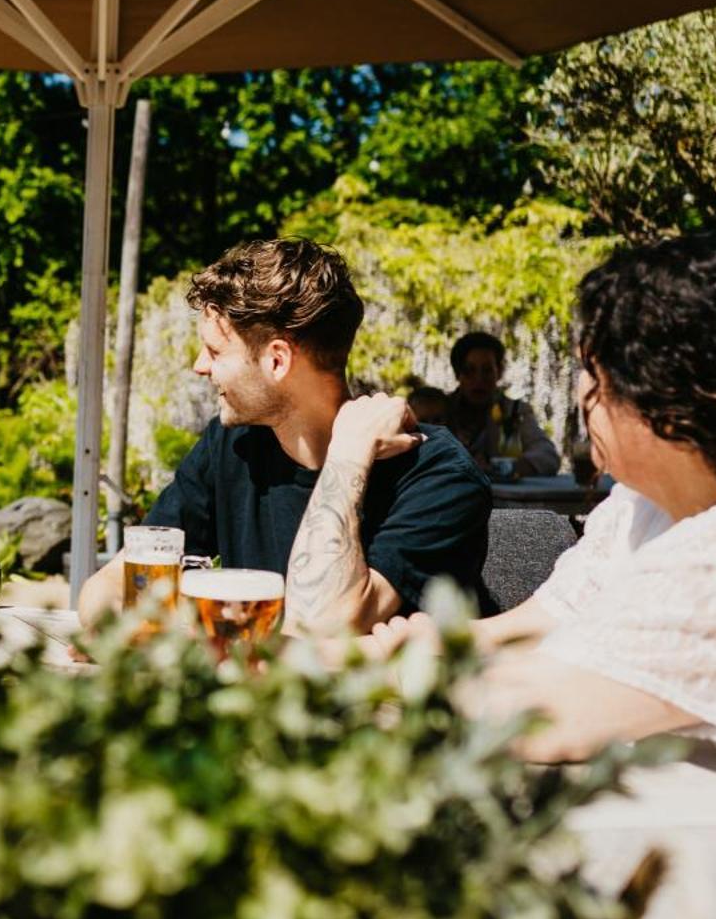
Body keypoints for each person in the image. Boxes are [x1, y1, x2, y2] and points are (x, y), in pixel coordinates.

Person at [365, 233, 716, 807]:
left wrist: (387, 669)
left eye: (592, 373)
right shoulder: (638, 504)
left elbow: (554, 715)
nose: (581, 393)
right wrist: (438, 643)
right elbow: (548, 621)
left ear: (662, 403)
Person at [80, 239, 489, 635]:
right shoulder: (233, 447)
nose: (199, 366)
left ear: (277, 360)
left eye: (215, 351)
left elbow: (324, 627)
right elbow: (111, 585)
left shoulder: (438, 474)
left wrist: (346, 457)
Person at [446, 331, 560, 478]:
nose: (479, 379)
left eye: (487, 371)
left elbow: (547, 455)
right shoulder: (440, 412)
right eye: (469, 371)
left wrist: (505, 468)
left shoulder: (514, 412)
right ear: (457, 374)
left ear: (499, 372)